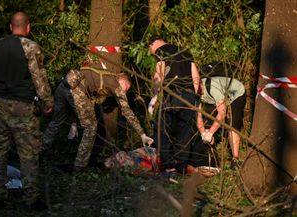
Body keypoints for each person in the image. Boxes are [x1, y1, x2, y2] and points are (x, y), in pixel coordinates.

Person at [0, 11, 53, 210]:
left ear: (11, 27)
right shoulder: (31, 47)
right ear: (27, 27)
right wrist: (47, 100)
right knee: (28, 153)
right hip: (23, 107)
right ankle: (31, 200)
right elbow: (39, 77)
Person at [42, 67, 154, 171]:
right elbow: (127, 112)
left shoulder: (104, 74)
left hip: (63, 86)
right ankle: (80, 166)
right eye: (126, 88)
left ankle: (41, 152)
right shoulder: (116, 85)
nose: (124, 92)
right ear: (123, 81)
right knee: (91, 126)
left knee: (57, 121)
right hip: (76, 91)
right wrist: (142, 134)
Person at [147, 36, 201, 175]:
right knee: (184, 132)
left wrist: (154, 98)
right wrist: (194, 98)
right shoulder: (185, 51)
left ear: (153, 44)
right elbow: (196, 76)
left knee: (161, 129)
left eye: (150, 49)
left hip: (172, 94)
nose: (151, 52)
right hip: (188, 96)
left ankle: (169, 166)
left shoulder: (162, 51)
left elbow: (159, 75)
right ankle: (181, 167)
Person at [197, 76, 246, 168]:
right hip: (216, 99)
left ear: (201, 85)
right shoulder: (195, 92)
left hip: (236, 94)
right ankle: (212, 159)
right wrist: (203, 133)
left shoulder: (213, 87)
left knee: (232, 125)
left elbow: (222, 113)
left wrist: (211, 133)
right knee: (208, 123)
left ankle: (235, 160)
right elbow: (198, 115)